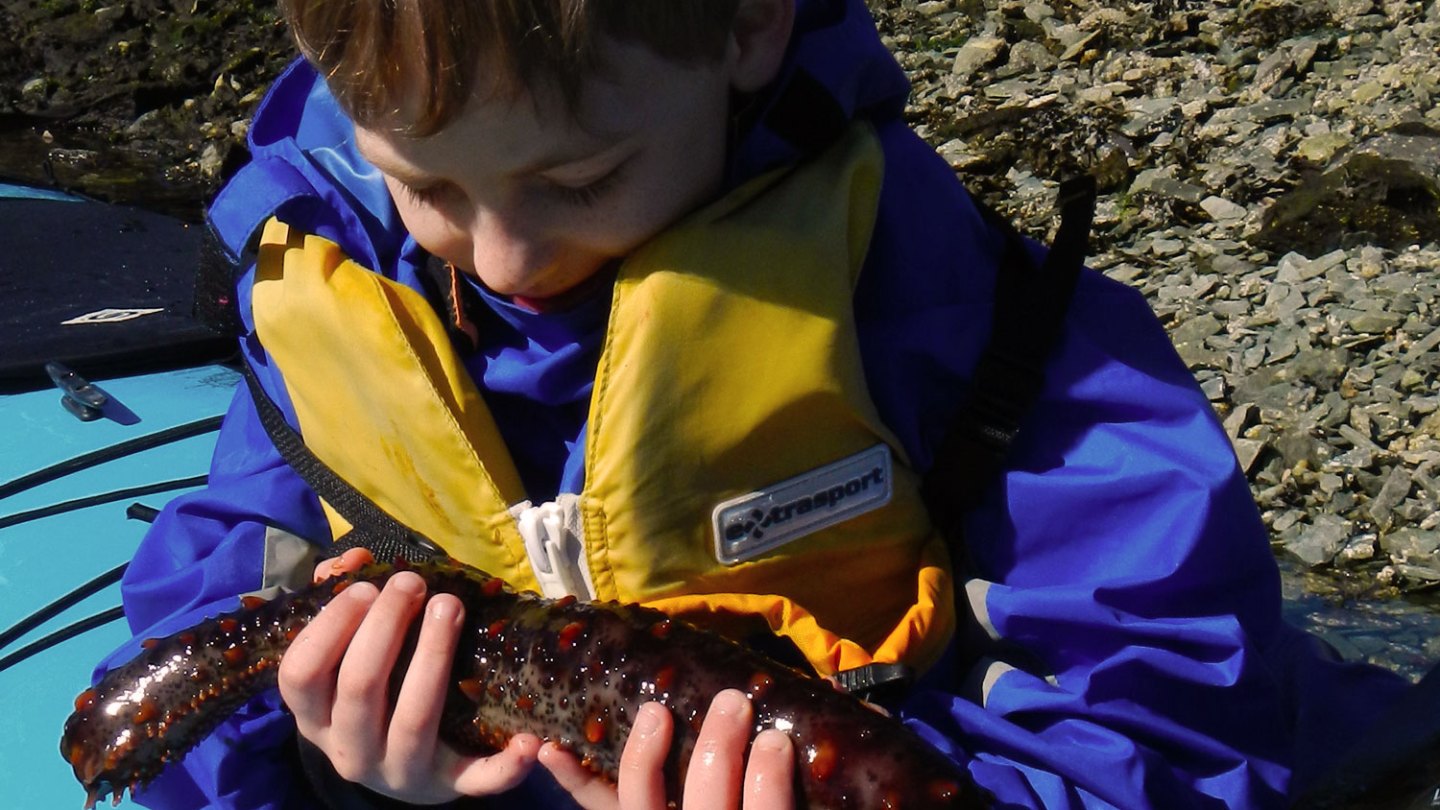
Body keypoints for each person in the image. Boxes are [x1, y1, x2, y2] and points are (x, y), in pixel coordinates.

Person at [98, 0, 1413, 808]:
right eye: (426, 189)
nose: (501, 259)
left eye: (578, 180)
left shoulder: (974, 330)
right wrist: (350, 783)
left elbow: (1179, 711)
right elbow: (185, 663)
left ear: (747, 22)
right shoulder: (333, 304)